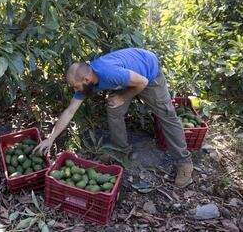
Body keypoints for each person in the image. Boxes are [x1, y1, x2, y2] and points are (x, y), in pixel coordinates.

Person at [33, 48, 193, 187]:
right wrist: (51, 138)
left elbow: (142, 82)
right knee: (113, 108)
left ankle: (184, 161)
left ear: (86, 80)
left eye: (76, 86)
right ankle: (121, 151)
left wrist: (123, 98)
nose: (76, 90)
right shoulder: (89, 81)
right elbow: (70, 111)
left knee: (167, 116)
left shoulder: (109, 73)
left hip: (149, 74)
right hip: (130, 79)